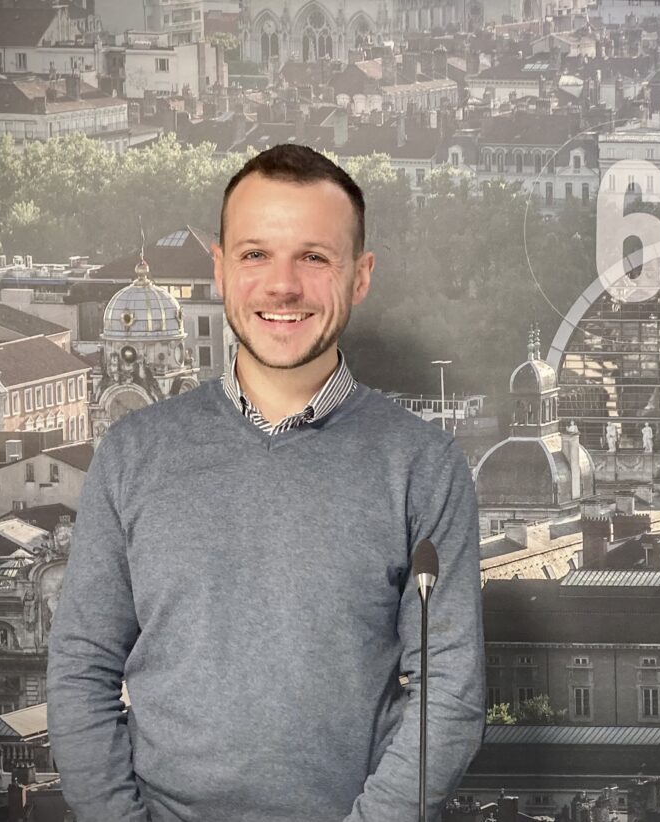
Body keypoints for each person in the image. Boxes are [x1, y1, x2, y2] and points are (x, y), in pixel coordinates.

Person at [46, 144, 486, 822]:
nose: (283, 285)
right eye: (255, 255)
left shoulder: (424, 464)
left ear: (361, 276)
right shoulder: (133, 451)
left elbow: (449, 696)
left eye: (314, 257)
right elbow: (80, 672)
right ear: (220, 271)